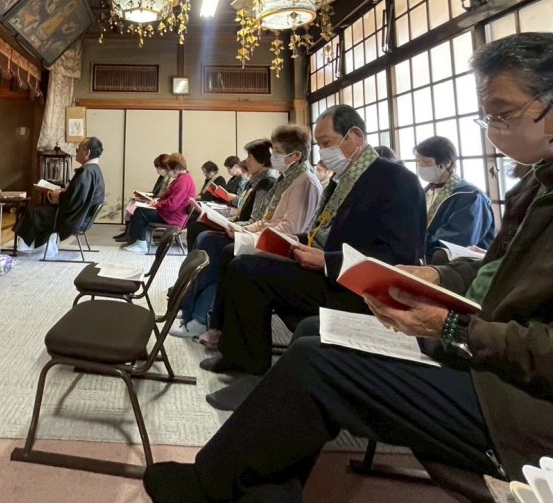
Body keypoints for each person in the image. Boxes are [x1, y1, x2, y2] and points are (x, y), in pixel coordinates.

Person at [143, 33, 553, 502]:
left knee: (318, 364)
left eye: (502, 115)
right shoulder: (550, 177)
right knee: (312, 335)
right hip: (490, 353)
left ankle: (209, 488)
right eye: (487, 120)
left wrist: (454, 328)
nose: (494, 133)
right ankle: (256, 490)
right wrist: (434, 278)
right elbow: (496, 275)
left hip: (538, 406)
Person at [199, 106, 425, 411]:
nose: (323, 152)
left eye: (327, 143)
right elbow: (324, 232)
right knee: (242, 263)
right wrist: (295, 243)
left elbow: (397, 258)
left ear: (355, 136)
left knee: (248, 271)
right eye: (320, 145)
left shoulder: (396, 180)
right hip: (329, 271)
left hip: (356, 289)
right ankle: (237, 355)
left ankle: (253, 374)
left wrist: (327, 261)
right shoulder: (344, 179)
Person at [186, 126, 324, 365]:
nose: (273, 156)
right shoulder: (287, 179)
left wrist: (247, 235)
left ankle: (216, 326)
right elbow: (267, 219)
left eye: (277, 151)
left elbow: (289, 230)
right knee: (214, 240)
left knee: (231, 255)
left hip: (286, 248)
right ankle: (210, 319)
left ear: (295, 156)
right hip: (269, 237)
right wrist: (243, 230)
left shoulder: (305, 182)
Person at [173, 139, 280, 338]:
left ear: (261, 159)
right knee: (202, 235)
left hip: (251, 236)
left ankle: (199, 317)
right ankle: (189, 306)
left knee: (208, 242)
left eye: (249, 157)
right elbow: (247, 211)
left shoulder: (268, 182)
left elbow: (258, 219)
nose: (246, 161)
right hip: (244, 228)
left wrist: (235, 226)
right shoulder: (258, 180)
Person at [14, 137, 104, 258]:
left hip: (73, 219)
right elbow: (78, 196)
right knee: (40, 211)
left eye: (78, 149)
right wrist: (64, 192)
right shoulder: (94, 170)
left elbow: (74, 201)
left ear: (87, 152)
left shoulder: (85, 172)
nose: (76, 151)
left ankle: (33, 248)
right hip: (83, 218)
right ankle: (40, 246)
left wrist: (57, 195)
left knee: (33, 212)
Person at [415, 135, 496, 262]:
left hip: (458, 267)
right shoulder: (426, 192)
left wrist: (415, 244)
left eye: (426, 162)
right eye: (418, 161)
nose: (420, 166)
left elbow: (456, 240)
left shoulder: (470, 196)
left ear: (447, 163)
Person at [122, 153, 195, 253]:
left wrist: (156, 204)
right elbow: (169, 197)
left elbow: (172, 204)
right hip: (172, 214)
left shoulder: (183, 181)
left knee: (139, 212)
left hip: (172, 217)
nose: (169, 172)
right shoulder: (183, 178)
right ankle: (139, 241)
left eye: (169, 169)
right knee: (140, 210)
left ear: (177, 169)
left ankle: (141, 244)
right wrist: (158, 201)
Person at [114, 154, 169, 241]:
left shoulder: (169, 179)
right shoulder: (161, 178)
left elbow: (162, 195)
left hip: (157, 202)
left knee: (135, 206)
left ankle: (130, 234)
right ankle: (127, 231)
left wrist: (149, 197)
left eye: (159, 168)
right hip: (154, 199)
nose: (158, 171)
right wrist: (144, 195)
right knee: (132, 202)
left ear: (166, 168)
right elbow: (155, 192)